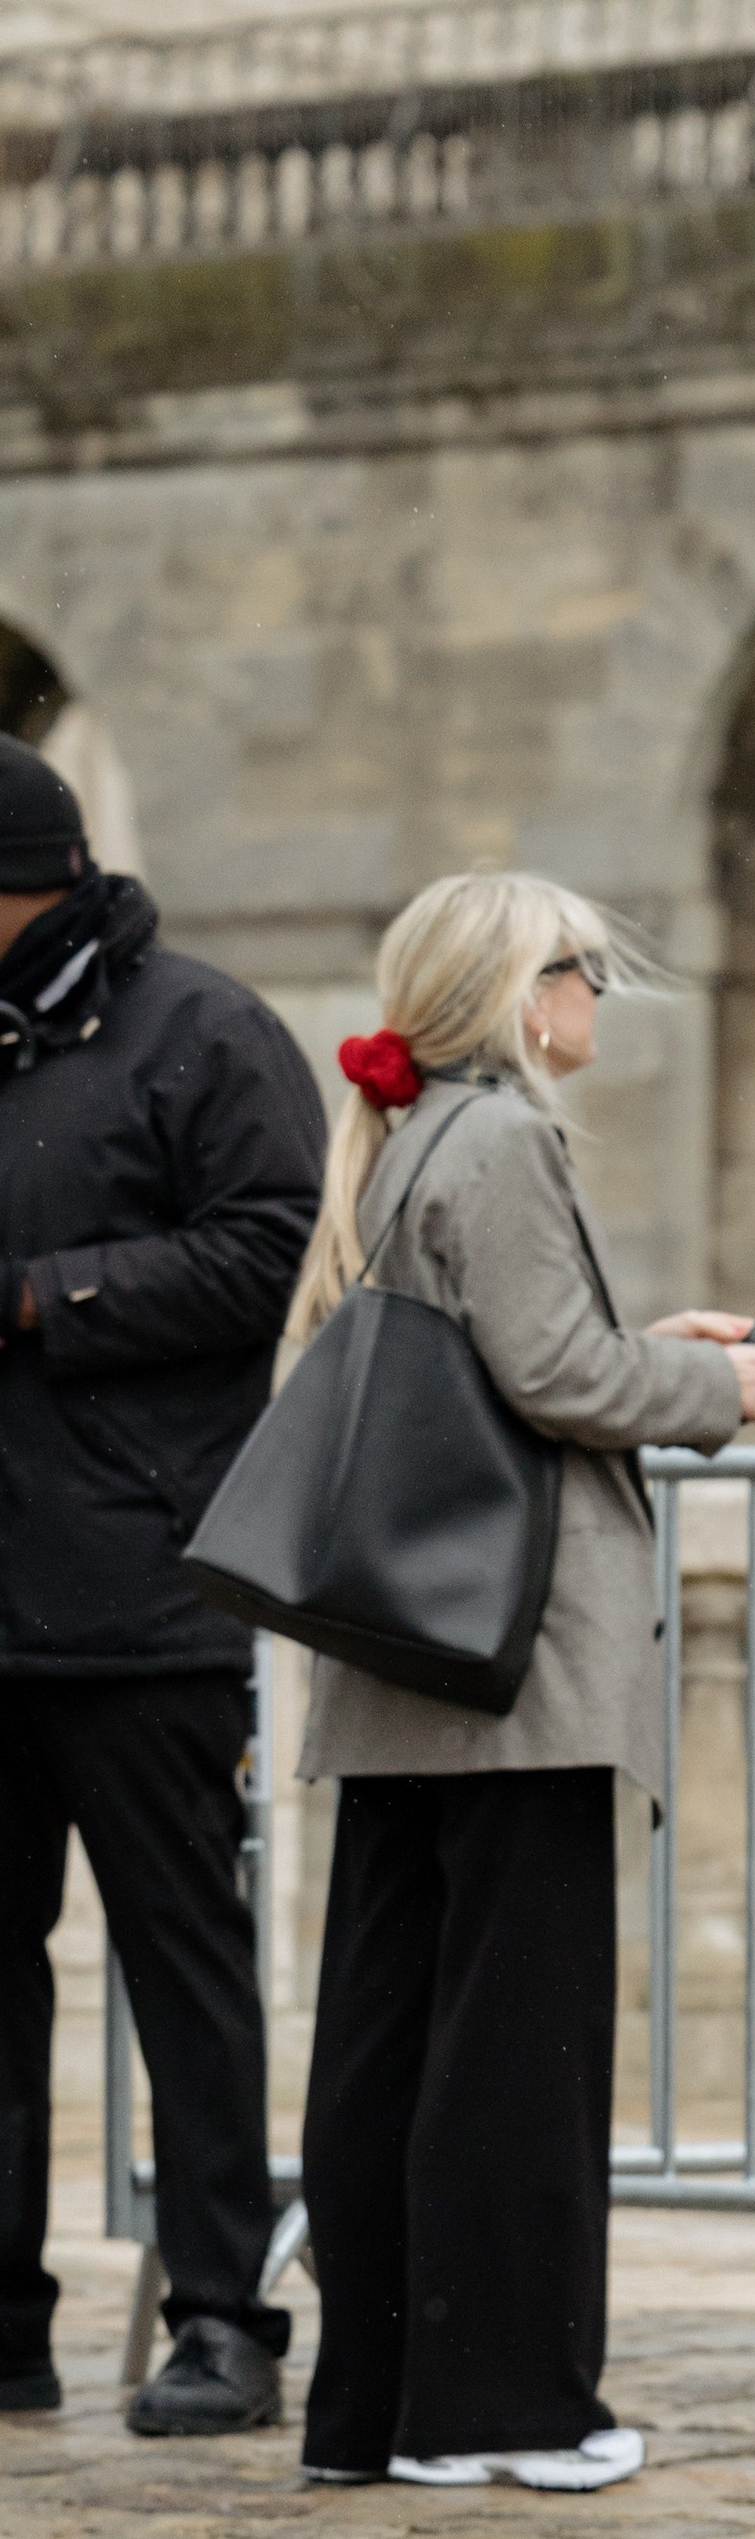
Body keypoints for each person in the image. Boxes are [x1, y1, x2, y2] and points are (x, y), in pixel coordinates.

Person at [289, 872, 755, 2490]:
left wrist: (629, 1339)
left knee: (390, 2036)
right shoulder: (505, 1137)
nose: (601, 1000)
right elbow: (558, 1378)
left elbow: (501, 1360)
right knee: (515, 2048)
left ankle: (373, 2407)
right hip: (517, 1668)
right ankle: (502, 2405)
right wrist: (709, 1381)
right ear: (530, 993)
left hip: (411, 1662)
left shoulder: (415, 1134)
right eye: (588, 973)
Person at [0, 731, 326, 2436]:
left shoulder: (201, 1032)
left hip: (138, 1594)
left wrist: (48, 1299)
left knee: (181, 1968)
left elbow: (271, 1245)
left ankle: (221, 2315)